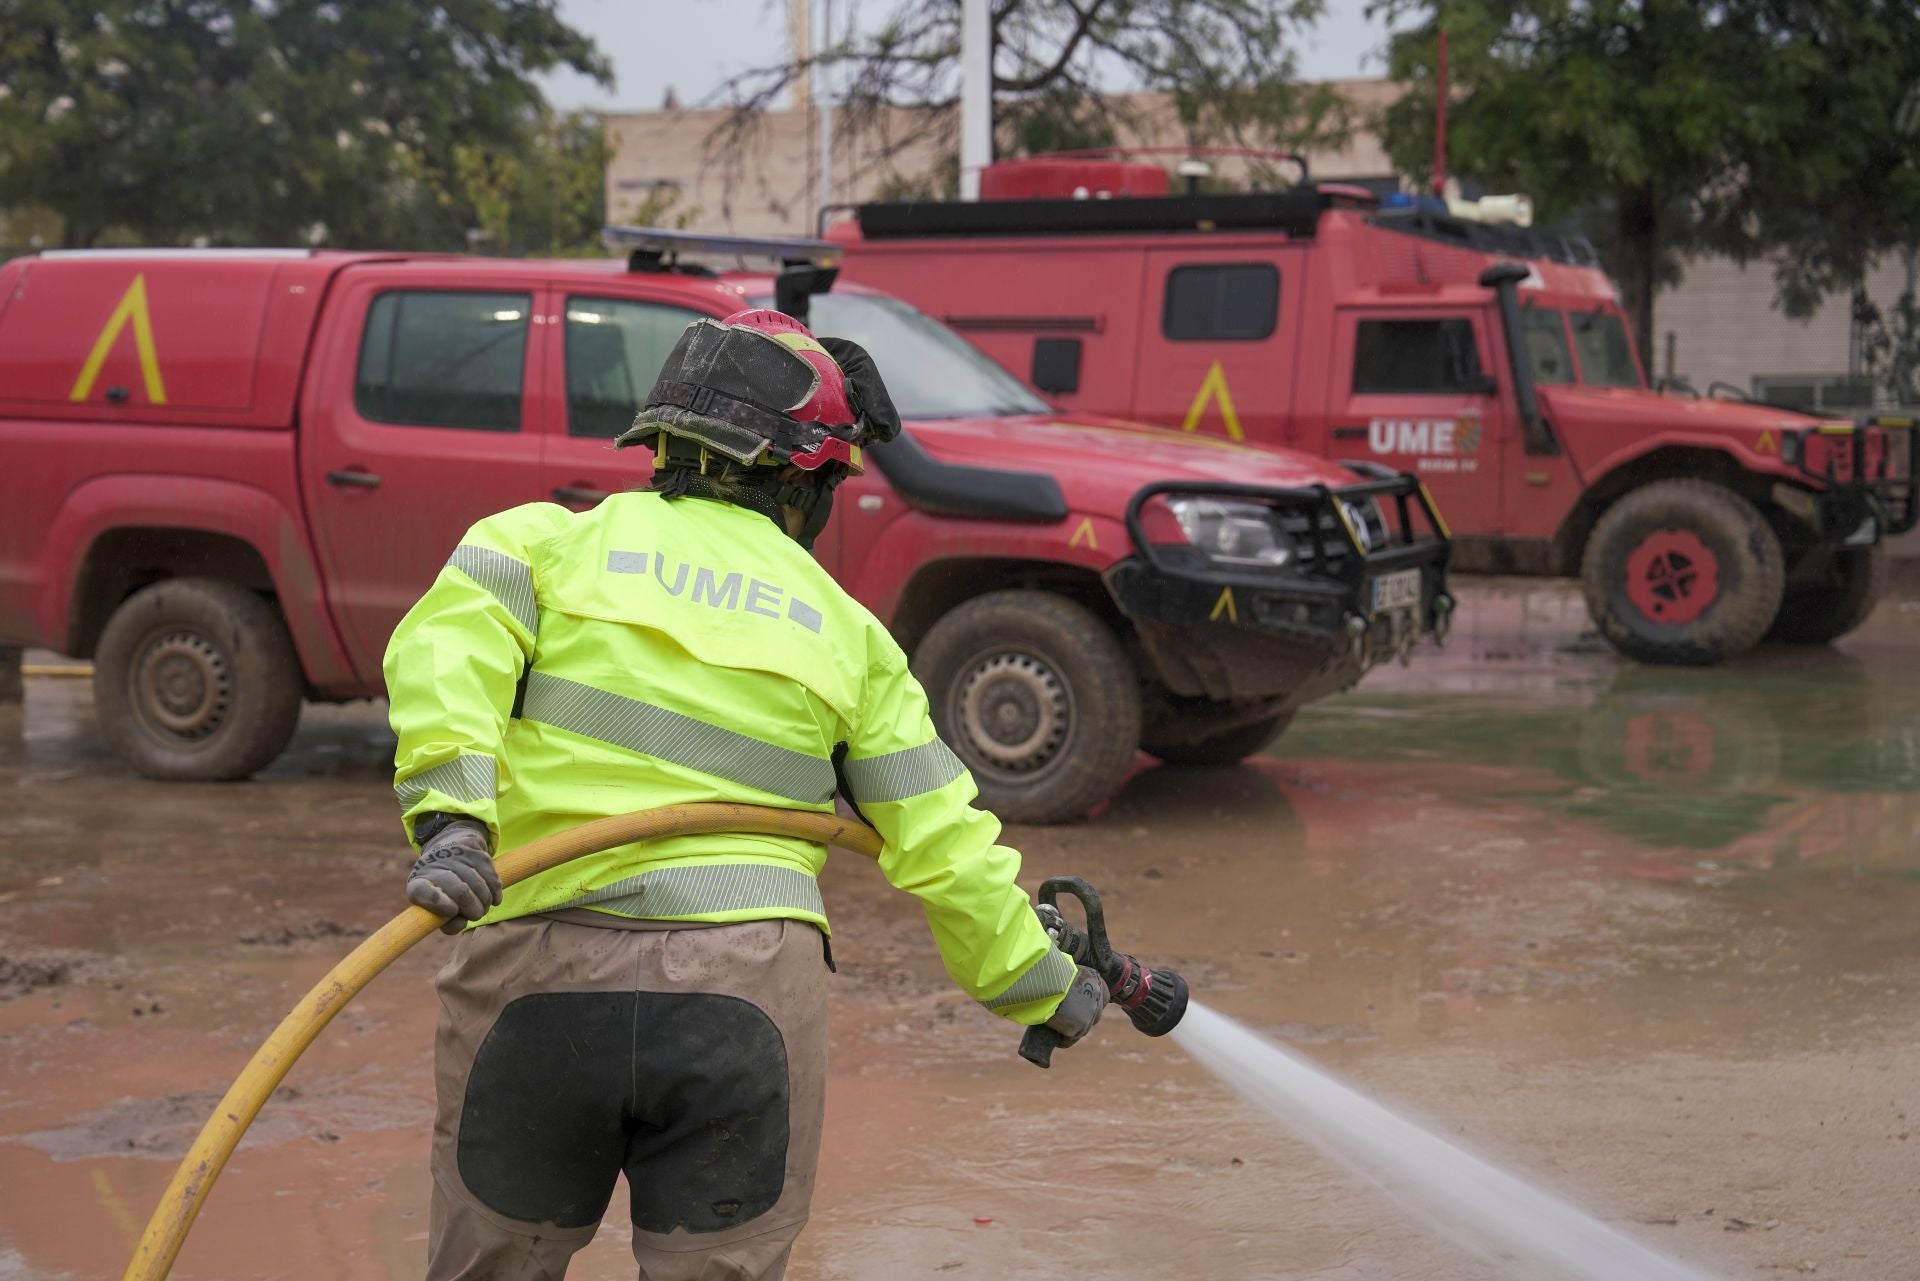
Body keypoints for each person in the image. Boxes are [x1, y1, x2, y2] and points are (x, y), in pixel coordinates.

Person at [384, 309, 1107, 1281]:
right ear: (805, 476)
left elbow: (443, 664)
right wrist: (1043, 985)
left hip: (537, 962)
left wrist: (454, 825)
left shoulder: (534, 545)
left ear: (666, 441)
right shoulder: (850, 634)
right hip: (745, 990)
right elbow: (946, 845)